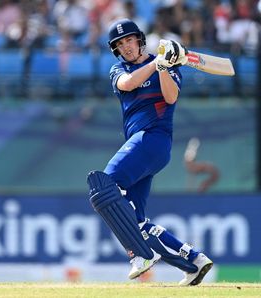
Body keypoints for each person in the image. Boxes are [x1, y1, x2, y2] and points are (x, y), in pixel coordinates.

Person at [86, 18, 213, 286]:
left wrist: (164, 67)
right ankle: (193, 262)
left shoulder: (165, 65)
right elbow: (128, 84)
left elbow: (170, 97)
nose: (126, 47)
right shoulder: (117, 69)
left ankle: (140, 256)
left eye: (129, 40)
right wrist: (157, 63)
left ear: (139, 40)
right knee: (136, 221)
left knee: (102, 188)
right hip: (142, 145)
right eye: (120, 44)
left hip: (153, 140)